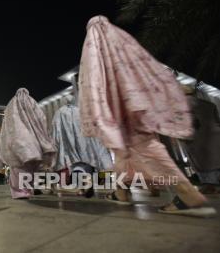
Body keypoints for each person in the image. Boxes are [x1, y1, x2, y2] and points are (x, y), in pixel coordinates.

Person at [78, 15, 215, 217]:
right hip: (137, 108)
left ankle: (187, 194)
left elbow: (95, 87)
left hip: (124, 116)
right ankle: (120, 192)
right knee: (125, 156)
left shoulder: (94, 52)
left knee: (147, 150)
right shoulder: (124, 47)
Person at [0, 88, 57, 199]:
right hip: (31, 140)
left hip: (16, 138)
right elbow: (41, 118)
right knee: (29, 166)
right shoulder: (32, 103)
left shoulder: (11, 104)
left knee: (17, 166)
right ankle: (26, 189)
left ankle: (20, 191)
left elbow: (7, 123)